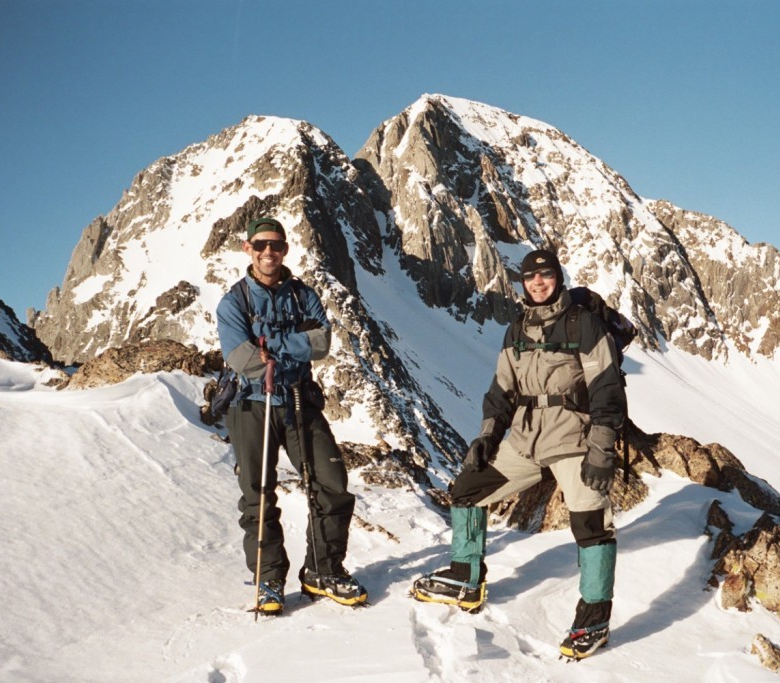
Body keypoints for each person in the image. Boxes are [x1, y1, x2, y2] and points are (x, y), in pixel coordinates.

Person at [411, 248, 627, 660]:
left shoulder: (584, 324)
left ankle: (594, 618)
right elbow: (501, 392)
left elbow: (606, 388)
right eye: (530, 277)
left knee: (592, 525)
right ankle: (466, 577)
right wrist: (487, 438)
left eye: (545, 275)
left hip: (574, 440)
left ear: (558, 277)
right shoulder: (516, 331)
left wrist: (601, 447)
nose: (538, 283)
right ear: (522, 284)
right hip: (525, 442)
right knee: (467, 490)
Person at [217, 217, 366, 615]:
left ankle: (323, 569)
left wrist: (271, 343)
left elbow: (321, 344)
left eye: (277, 245)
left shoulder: (304, 295)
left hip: (300, 399)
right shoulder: (234, 302)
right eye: (261, 245)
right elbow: (244, 359)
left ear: (285, 249)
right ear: (248, 248)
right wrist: (291, 343)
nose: (270, 252)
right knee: (258, 495)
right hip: (251, 404)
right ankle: (269, 579)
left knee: (331, 483)